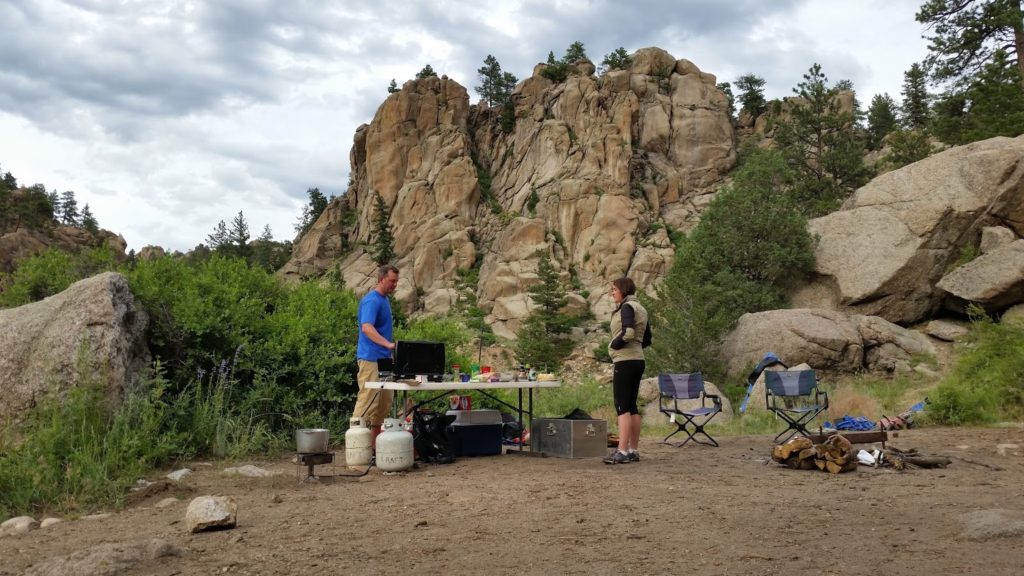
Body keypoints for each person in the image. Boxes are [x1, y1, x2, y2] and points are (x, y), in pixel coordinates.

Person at [603, 277, 650, 465]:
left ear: (623, 289)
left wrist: (614, 345)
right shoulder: (641, 308)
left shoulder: (626, 307)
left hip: (625, 361)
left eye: (614, 289)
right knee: (632, 405)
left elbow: (628, 332)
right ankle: (632, 450)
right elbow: (647, 338)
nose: (612, 292)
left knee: (622, 406)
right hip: (638, 360)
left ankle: (621, 451)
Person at [354, 264, 400, 451]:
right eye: (392, 281)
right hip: (370, 359)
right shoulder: (372, 301)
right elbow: (367, 327)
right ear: (381, 279)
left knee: (383, 405)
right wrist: (388, 344)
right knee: (367, 401)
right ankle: (356, 450)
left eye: (396, 281)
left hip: (385, 360)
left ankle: (374, 450)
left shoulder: (385, 300)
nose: (394, 285)